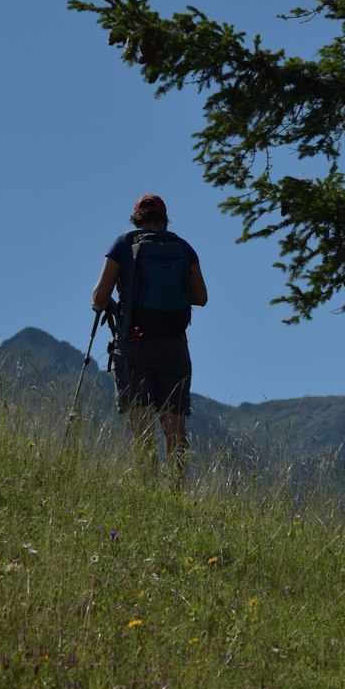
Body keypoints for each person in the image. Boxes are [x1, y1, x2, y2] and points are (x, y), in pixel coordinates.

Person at [92, 193, 207, 484]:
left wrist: (105, 304)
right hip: (174, 346)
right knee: (175, 429)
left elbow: (99, 296)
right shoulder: (183, 248)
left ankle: (147, 492)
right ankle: (176, 495)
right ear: (164, 219)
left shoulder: (123, 244)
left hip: (134, 344)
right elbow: (201, 298)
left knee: (142, 427)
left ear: (136, 218)